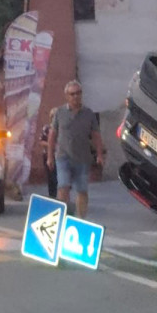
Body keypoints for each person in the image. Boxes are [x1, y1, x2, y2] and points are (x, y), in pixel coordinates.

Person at [46, 81, 104, 219]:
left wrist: (99, 154)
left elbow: (96, 135)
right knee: (63, 186)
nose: (76, 97)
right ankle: (62, 217)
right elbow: (52, 135)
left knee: (82, 190)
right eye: (72, 94)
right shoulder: (59, 113)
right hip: (63, 157)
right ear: (67, 96)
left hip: (82, 158)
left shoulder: (89, 114)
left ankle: (80, 219)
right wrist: (49, 156)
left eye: (78, 93)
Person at [39, 108, 58, 199]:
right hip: (48, 155)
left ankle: (61, 196)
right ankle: (52, 196)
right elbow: (41, 142)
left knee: (61, 177)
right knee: (51, 177)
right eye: (53, 116)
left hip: (61, 156)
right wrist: (51, 145)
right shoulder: (47, 128)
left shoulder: (63, 128)